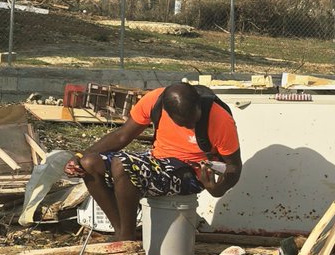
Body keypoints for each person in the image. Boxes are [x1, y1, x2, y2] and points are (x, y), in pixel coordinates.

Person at [64, 82, 242, 241]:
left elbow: (234, 167)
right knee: (89, 164)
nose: (190, 127)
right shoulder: (155, 101)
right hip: (157, 160)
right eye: (184, 124)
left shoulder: (219, 119)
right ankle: (122, 233)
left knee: (123, 165)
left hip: (191, 173)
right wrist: (80, 156)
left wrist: (216, 189)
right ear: (167, 112)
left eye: (193, 121)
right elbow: (122, 136)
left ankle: (125, 238)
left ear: (198, 104)